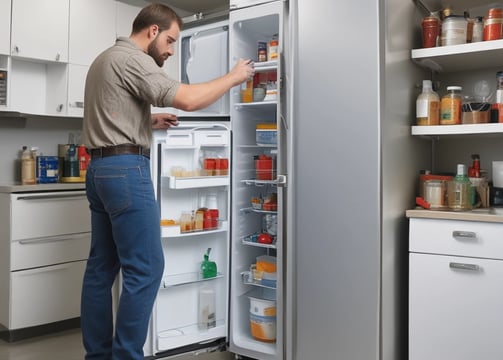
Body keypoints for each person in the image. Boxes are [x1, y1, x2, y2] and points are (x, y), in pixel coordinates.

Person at [80, 3, 254, 359]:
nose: (172, 50)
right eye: (172, 41)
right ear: (154, 31)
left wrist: (148, 119)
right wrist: (234, 76)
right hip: (127, 171)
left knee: (101, 269)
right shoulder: (133, 59)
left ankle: (97, 355)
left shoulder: (105, 59)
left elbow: (112, 113)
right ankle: (127, 355)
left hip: (99, 171)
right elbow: (188, 100)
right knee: (147, 267)